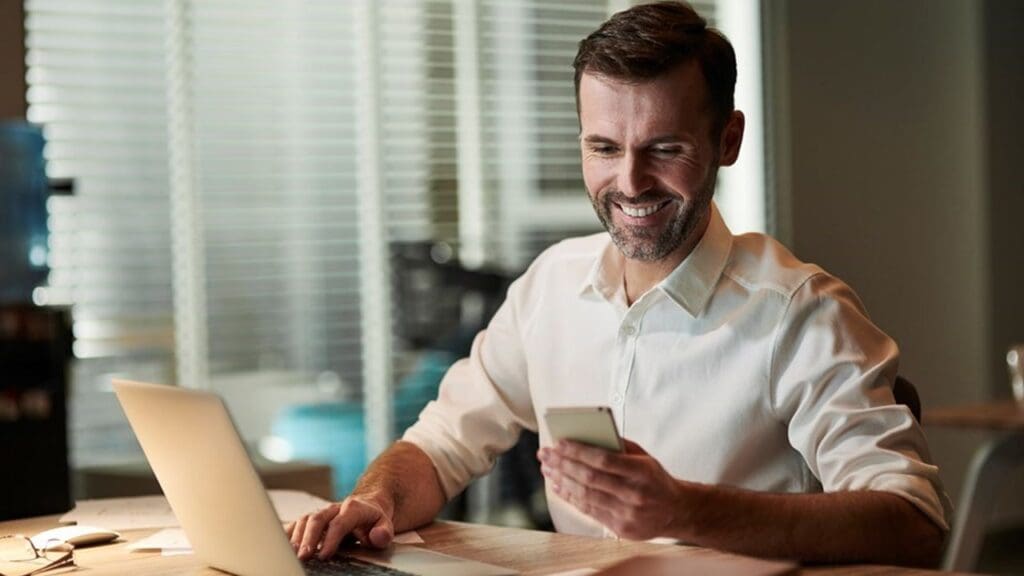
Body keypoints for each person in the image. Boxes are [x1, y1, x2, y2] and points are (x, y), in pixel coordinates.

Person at [288, 1, 949, 567]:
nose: (630, 184)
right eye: (604, 148)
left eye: (664, 148)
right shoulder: (550, 287)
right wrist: (375, 501)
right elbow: (440, 446)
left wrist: (687, 510)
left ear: (727, 139)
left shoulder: (799, 314)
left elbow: (915, 524)